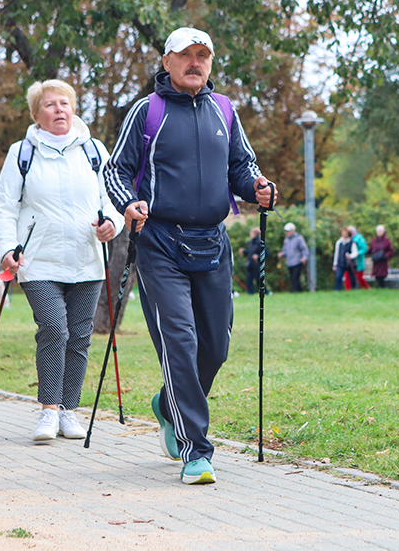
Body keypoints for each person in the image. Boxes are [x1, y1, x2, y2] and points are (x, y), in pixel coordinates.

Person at [104, 27, 275, 485]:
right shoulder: (147, 111)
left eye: (203, 56)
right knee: (180, 342)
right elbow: (115, 170)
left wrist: (257, 188)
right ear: (167, 62)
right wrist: (128, 202)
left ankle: (168, 402)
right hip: (161, 242)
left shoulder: (224, 110)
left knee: (215, 346)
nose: (195, 62)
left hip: (213, 242)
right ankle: (196, 451)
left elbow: (242, 167)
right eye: (186, 56)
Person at [0, 79, 122, 443]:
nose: (59, 109)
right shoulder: (22, 152)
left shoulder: (95, 150)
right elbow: (4, 207)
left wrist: (113, 222)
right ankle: (48, 411)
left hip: (87, 259)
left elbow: (111, 197)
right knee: (54, 329)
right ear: (36, 114)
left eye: (65, 103)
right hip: (39, 259)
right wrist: (6, 248)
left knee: (80, 337)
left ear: (74, 108)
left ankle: (69, 411)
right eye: (50, 104)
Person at [278, 222, 308, 292]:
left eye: (288, 231)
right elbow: (285, 251)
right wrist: (282, 254)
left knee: (295, 277)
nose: (286, 232)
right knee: (293, 277)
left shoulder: (299, 238)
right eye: (286, 231)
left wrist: (304, 257)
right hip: (289, 262)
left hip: (297, 261)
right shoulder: (286, 240)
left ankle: (294, 291)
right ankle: (300, 290)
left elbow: (304, 249)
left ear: (293, 230)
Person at [333, 227, 358, 291]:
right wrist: (335, 264)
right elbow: (336, 253)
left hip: (350, 263)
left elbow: (355, 252)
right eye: (343, 233)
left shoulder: (352, 242)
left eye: (345, 233)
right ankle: (337, 290)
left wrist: (351, 256)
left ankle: (354, 289)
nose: (344, 234)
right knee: (338, 277)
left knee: (352, 278)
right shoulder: (339, 242)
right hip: (341, 263)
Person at [240, 227, 261, 294]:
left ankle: (265, 292)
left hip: (257, 264)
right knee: (249, 279)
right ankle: (250, 292)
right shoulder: (251, 242)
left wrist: (258, 256)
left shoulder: (260, 242)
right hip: (250, 264)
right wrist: (244, 251)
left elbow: (266, 253)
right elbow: (249, 252)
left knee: (259, 279)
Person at [348, 225, 370, 290]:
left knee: (359, 277)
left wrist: (357, 253)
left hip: (359, 261)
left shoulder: (359, 238)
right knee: (349, 277)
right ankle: (350, 290)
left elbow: (364, 249)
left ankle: (367, 289)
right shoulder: (348, 239)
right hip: (350, 262)